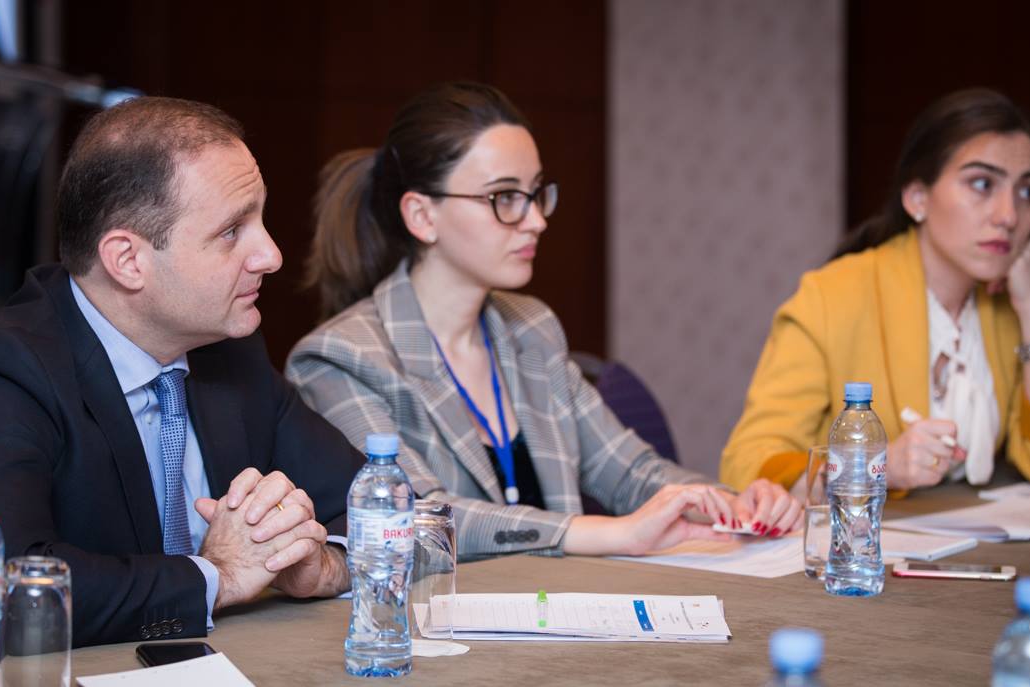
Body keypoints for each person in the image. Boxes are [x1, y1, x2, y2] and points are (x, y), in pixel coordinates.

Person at [0, 97, 364, 662]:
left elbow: (375, 499)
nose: (270, 255)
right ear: (127, 260)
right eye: (231, 231)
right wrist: (218, 575)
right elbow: (14, 590)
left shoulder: (227, 351)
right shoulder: (0, 371)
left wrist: (325, 563)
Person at [285, 82, 800, 561]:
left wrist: (733, 505)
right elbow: (415, 520)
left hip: (556, 613)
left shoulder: (529, 327)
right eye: (504, 198)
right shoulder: (341, 358)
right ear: (422, 216)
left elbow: (630, 472)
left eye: (535, 194)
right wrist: (602, 534)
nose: (536, 220)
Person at [719, 88, 1030, 495]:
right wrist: (874, 468)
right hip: (861, 534)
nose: (1009, 216)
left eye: (1027, 192)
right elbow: (748, 462)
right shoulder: (830, 296)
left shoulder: (1009, 306)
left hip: (976, 531)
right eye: (982, 184)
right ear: (917, 198)